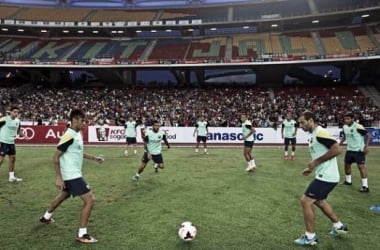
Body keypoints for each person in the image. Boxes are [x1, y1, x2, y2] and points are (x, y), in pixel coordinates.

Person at [39, 109, 104, 244]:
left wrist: (94, 158)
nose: (84, 123)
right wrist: (58, 177)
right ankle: (82, 234)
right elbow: (55, 157)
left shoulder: (76, 133)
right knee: (90, 200)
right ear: (74, 120)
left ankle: (46, 217)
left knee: (64, 195)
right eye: (82, 121)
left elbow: (79, 152)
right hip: (71, 174)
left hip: (72, 173)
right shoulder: (69, 135)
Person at [294, 111, 348, 246]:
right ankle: (339, 227)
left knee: (306, 201)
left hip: (327, 176)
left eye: (302, 122)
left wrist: (315, 163)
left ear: (311, 120)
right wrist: (311, 167)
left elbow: (337, 149)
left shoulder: (320, 132)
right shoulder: (313, 134)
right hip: (325, 175)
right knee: (319, 201)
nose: (300, 125)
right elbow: (321, 153)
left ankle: (310, 237)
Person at [339, 112, 371, 193]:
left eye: (348, 119)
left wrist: (366, 146)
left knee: (361, 167)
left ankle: (365, 186)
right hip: (349, 150)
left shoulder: (358, 126)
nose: (346, 120)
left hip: (359, 150)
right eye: (345, 119)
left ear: (352, 119)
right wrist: (340, 144)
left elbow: (368, 135)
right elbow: (345, 136)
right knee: (347, 165)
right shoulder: (345, 127)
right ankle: (348, 181)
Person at [0, 106, 26, 182]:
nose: (16, 113)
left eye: (17, 112)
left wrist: (24, 135)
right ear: (10, 112)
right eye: (14, 112)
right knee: (1, 160)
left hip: (11, 142)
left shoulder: (17, 121)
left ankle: (11, 177)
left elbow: (18, 131)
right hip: (3, 141)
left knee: (12, 159)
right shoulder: (4, 119)